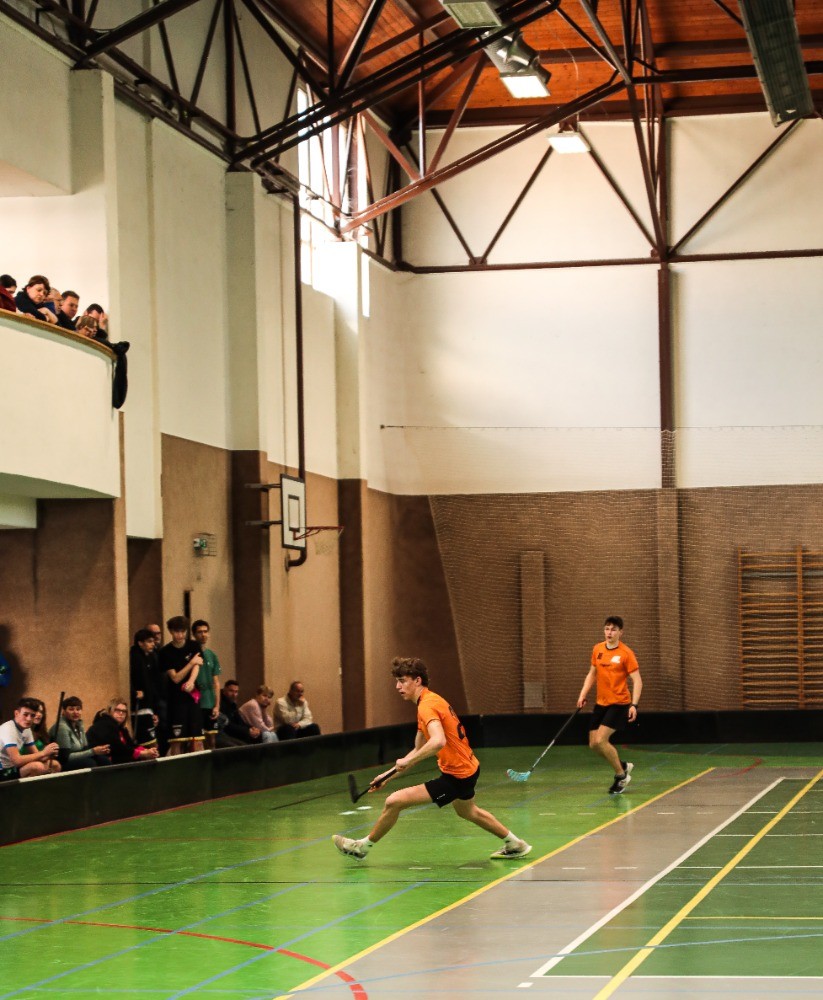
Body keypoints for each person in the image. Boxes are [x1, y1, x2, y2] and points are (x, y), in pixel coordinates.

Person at [332, 657, 531, 862]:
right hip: (468, 768)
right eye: (397, 681)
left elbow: (437, 741)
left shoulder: (427, 706)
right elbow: (418, 749)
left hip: (457, 775)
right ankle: (515, 844)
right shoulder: (429, 701)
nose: (398, 687)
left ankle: (361, 847)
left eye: (403, 681)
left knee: (394, 801)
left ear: (417, 680)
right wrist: (387, 776)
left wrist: (407, 762)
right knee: (469, 812)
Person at [577, 615, 643, 795]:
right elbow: (592, 673)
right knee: (593, 744)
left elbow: (637, 681)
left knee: (601, 740)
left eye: (614, 629)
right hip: (601, 703)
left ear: (621, 632)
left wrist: (634, 705)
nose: (609, 632)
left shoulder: (626, 653)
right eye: (607, 628)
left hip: (619, 704)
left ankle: (621, 776)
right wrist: (583, 694)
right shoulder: (597, 649)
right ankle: (622, 765)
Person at [157, 616, 204, 755]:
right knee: (177, 740)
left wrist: (191, 681)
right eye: (177, 632)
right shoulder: (165, 652)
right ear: (171, 631)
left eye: (183, 631)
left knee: (197, 739)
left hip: (192, 697)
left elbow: (197, 665)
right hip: (176, 700)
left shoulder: (194, 646)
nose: (180, 635)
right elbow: (176, 678)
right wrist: (191, 662)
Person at [0, 698, 61, 779]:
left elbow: (38, 756)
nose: (29, 719)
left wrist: (49, 753)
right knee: (37, 767)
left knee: (55, 765)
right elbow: (16, 760)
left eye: (32, 715)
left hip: (13, 768)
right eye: (25, 714)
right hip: (3, 770)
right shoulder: (8, 729)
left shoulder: (27, 729)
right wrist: (43, 753)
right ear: (16, 713)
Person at [85, 698, 158, 765]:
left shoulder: (121, 728)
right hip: (96, 758)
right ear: (110, 711)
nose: (121, 713)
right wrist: (142, 754)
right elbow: (118, 747)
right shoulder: (104, 724)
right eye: (117, 710)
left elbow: (131, 745)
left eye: (124, 711)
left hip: (112, 757)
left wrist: (148, 751)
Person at [51, 696, 109, 769]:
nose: (75, 712)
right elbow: (64, 758)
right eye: (71, 709)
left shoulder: (79, 724)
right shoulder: (62, 727)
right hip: (62, 762)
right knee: (89, 763)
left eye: (78, 709)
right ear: (64, 711)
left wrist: (99, 750)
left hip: (76, 759)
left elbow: (85, 748)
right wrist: (93, 751)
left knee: (103, 759)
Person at [191, 620, 222, 749]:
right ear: (194, 634)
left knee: (212, 740)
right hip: (196, 702)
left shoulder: (212, 655)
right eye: (200, 632)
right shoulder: (191, 654)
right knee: (197, 740)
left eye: (205, 631)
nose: (203, 634)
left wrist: (217, 705)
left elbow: (216, 682)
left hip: (210, 702)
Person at [129, 628, 161, 746]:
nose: (153, 644)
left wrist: (154, 710)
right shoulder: (134, 657)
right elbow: (128, 678)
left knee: (153, 743)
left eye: (153, 641)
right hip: (139, 707)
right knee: (149, 744)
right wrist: (134, 693)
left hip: (149, 706)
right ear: (140, 643)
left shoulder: (151, 658)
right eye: (149, 641)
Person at [218, 680, 261, 744]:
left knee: (259, 736)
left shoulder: (232, 704)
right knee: (244, 741)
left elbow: (240, 721)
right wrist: (247, 731)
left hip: (234, 731)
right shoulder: (220, 703)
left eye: (236, 692)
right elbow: (227, 725)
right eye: (231, 691)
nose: (234, 694)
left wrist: (251, 728)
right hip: (224, 733)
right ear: (224, 691)